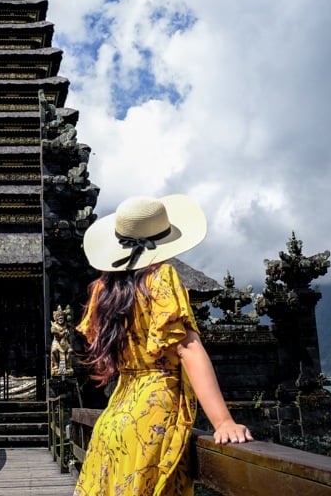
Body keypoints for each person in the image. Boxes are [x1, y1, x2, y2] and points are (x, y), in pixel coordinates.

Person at [74, 194, 252, 496]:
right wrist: (223, 422)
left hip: (115, 416)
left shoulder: (103, 290)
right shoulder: (161, 277)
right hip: (154, 412)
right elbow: (188, 348)